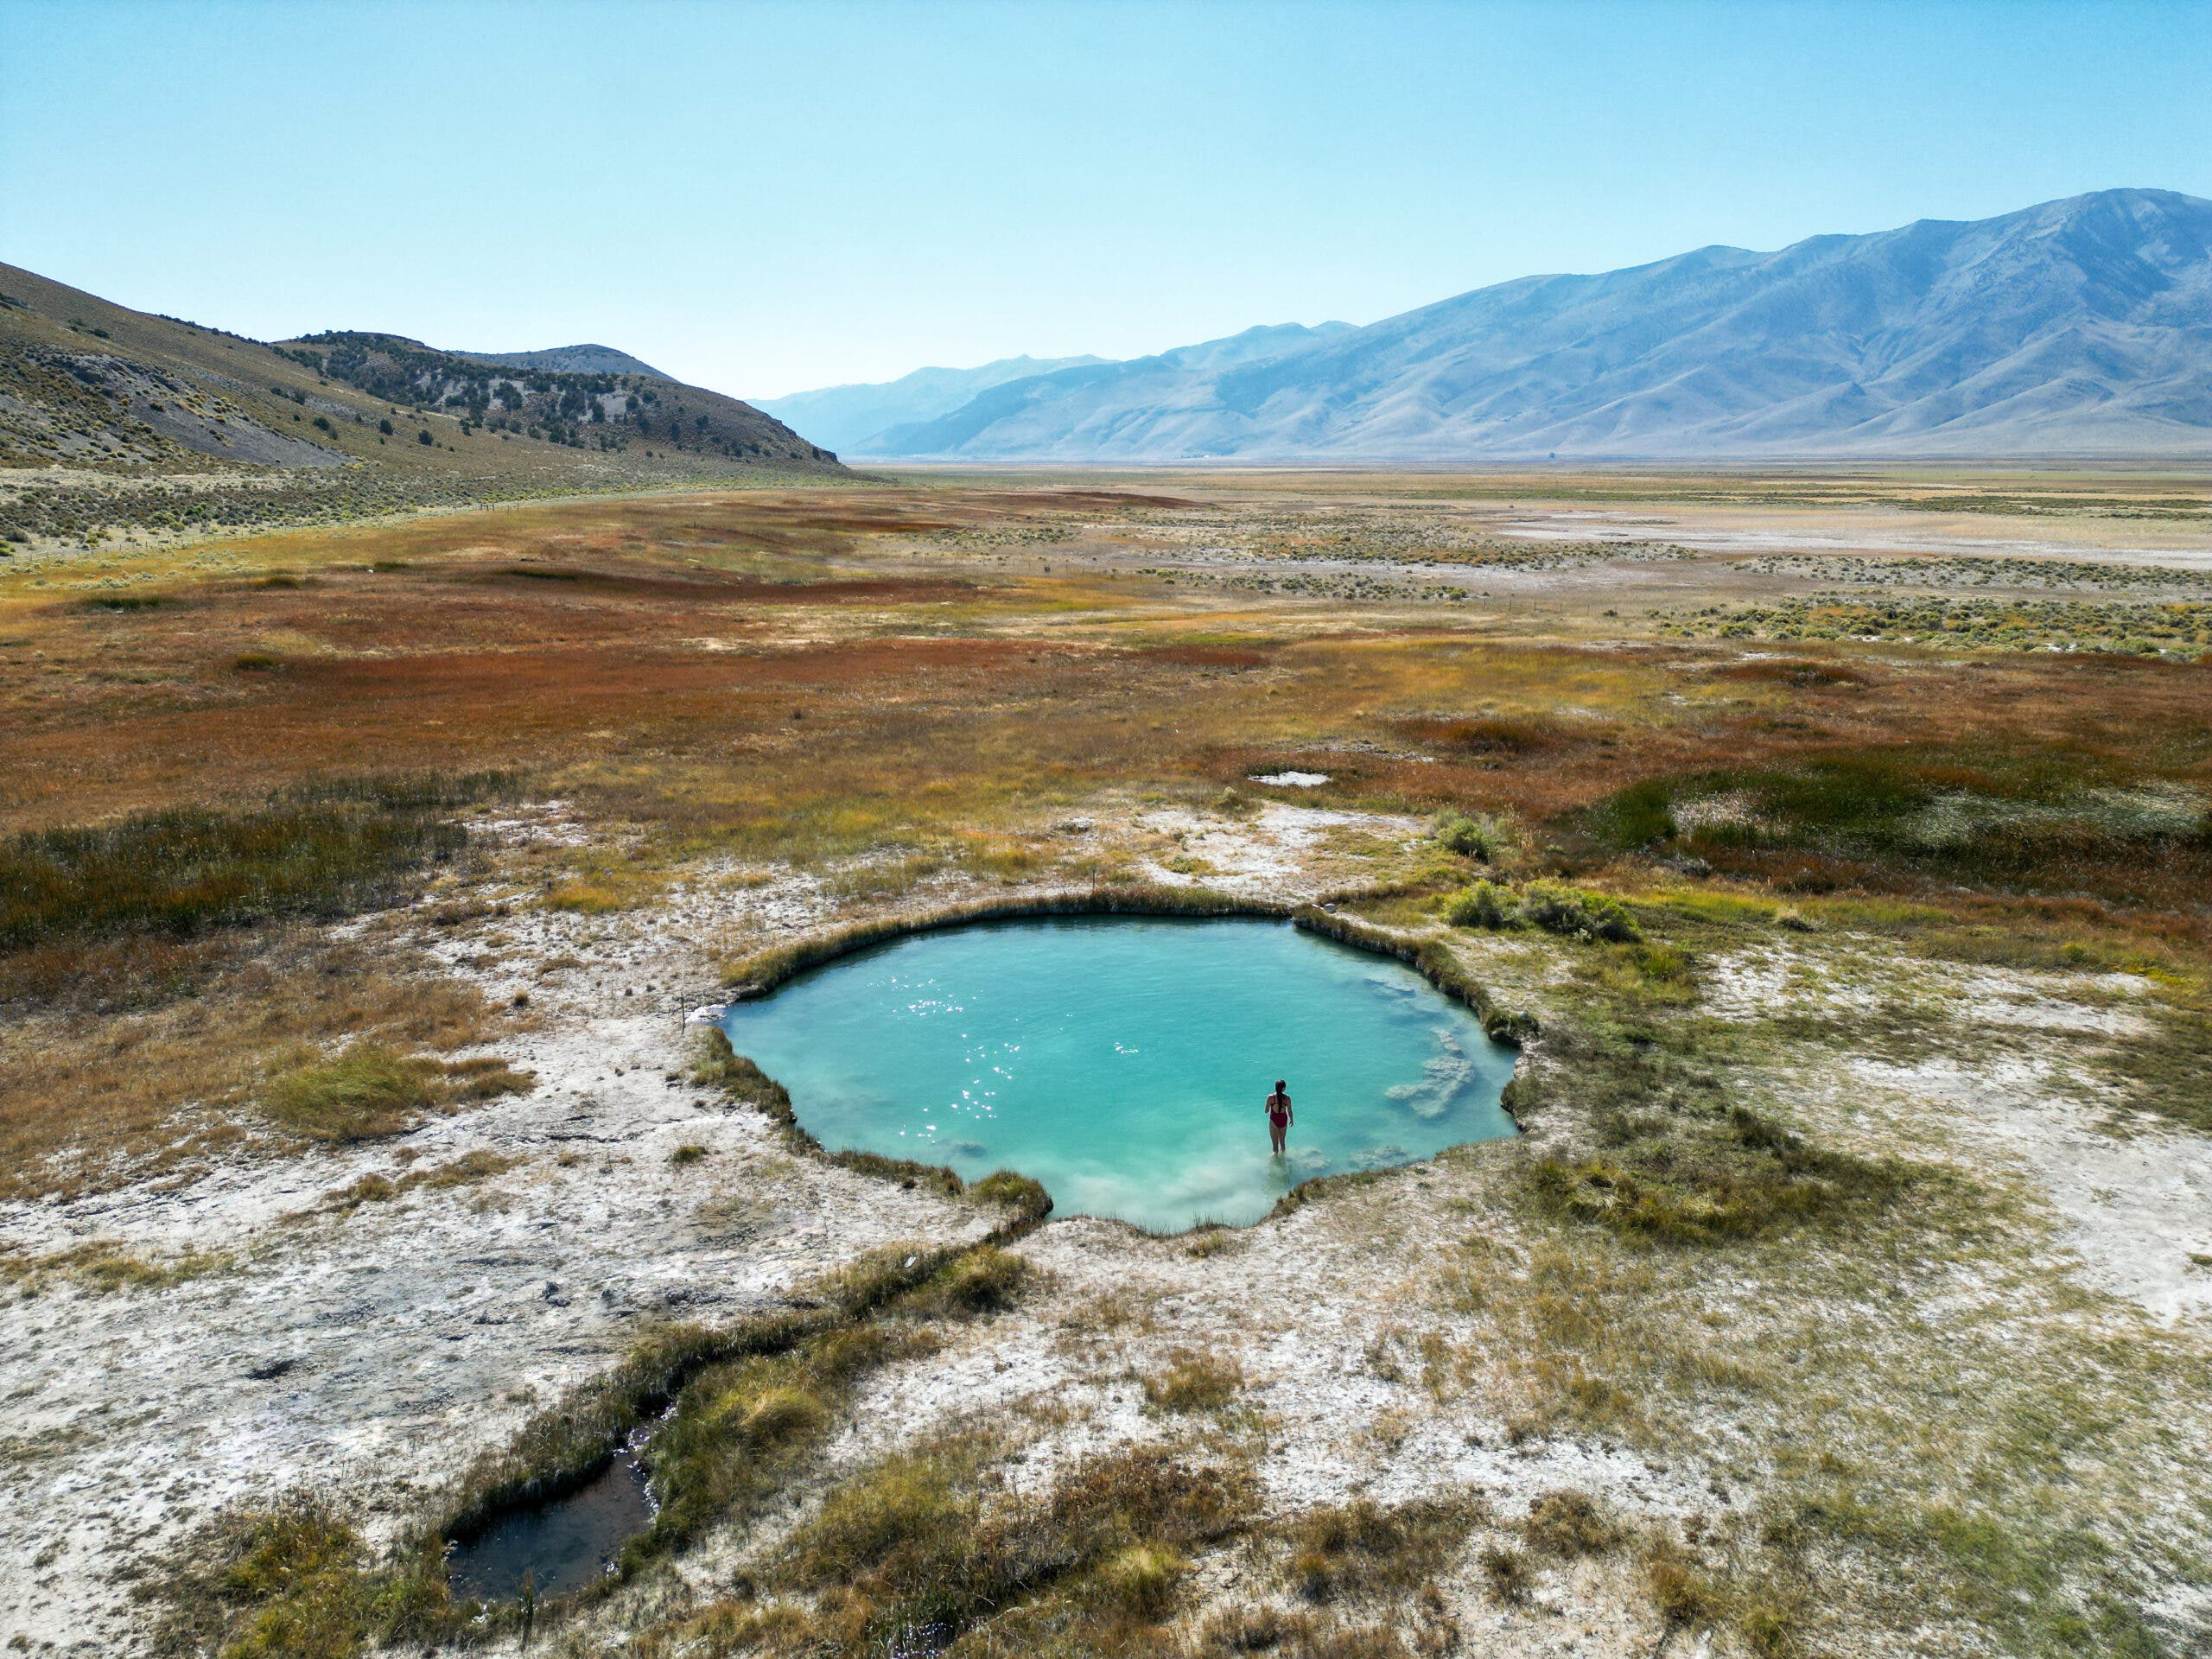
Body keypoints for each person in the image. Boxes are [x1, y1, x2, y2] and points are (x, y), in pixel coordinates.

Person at [1265, 1078, 1293, 1155]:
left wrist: (1269, 1105)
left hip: (1274, 1121)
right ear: (1283, 1088)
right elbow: (1290, 1110)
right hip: (1283, 1120)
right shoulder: (1287, 1098)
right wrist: (1291, 1120)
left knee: (1275, 1147)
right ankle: (1283, 1160)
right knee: (1282, 1143)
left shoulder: (1271, 1098)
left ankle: (1275, 1164)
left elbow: (1266, 1111)